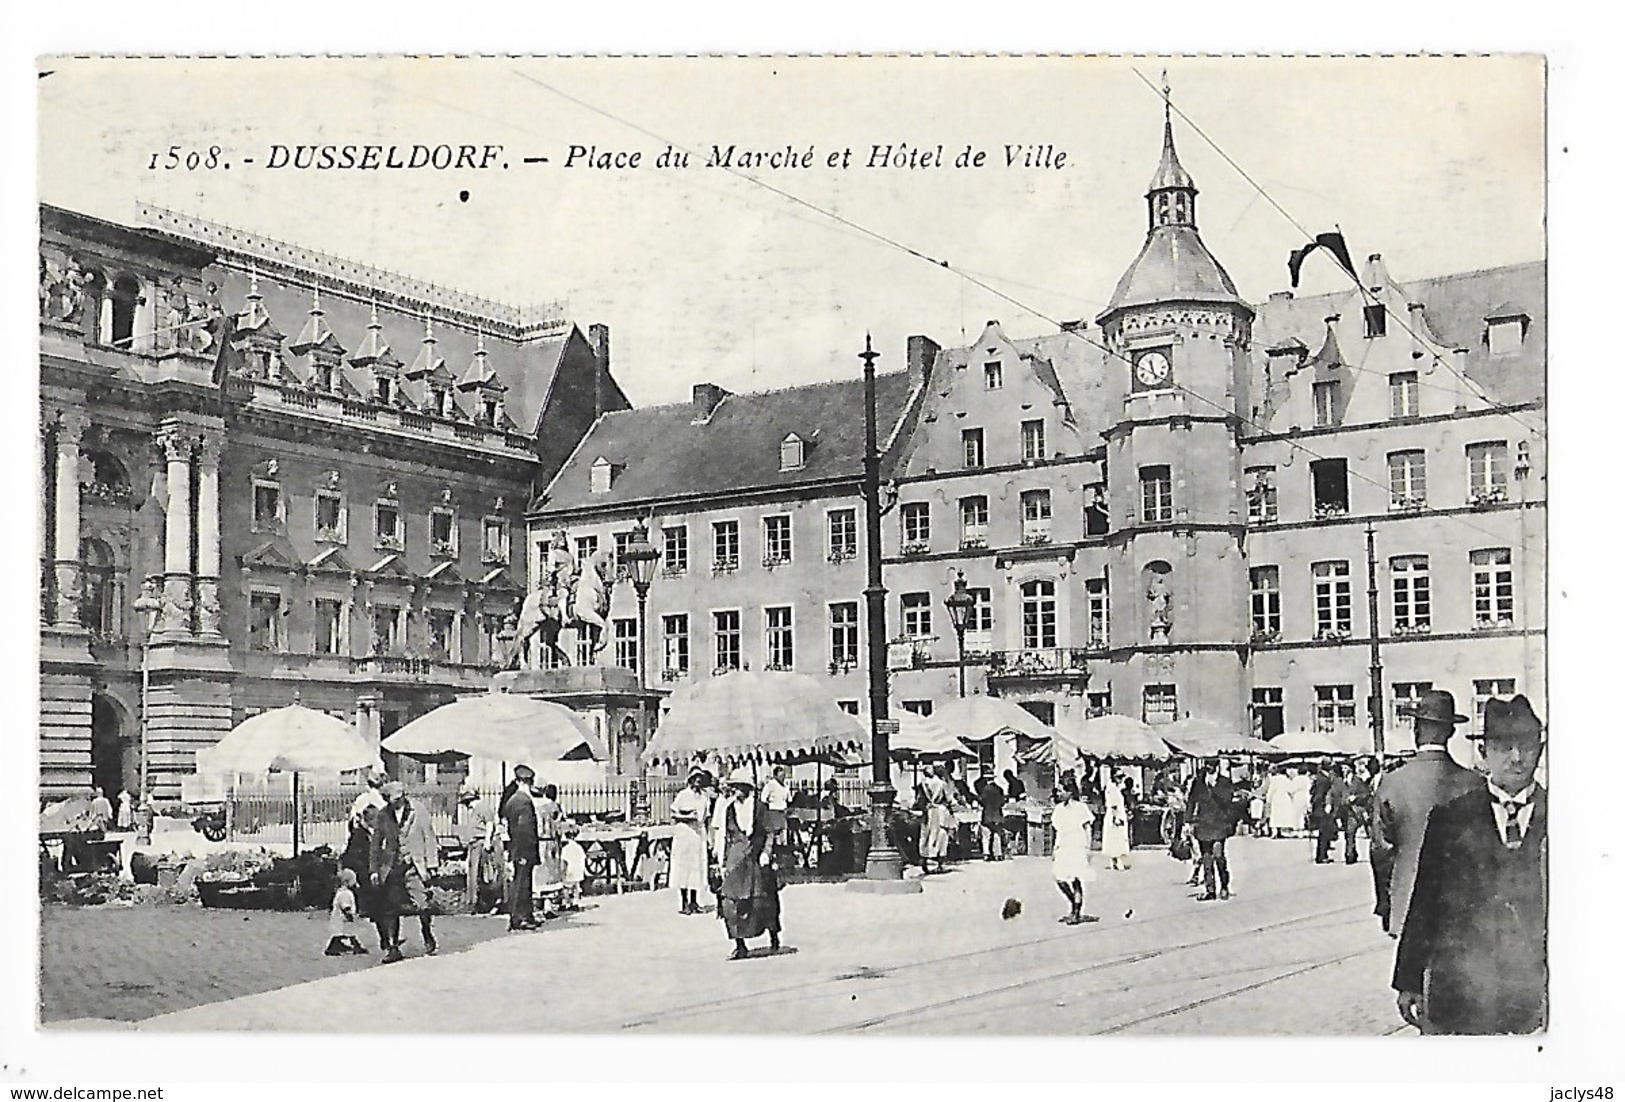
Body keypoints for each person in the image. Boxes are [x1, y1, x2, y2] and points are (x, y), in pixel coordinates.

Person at [1393, 695, 1547, 1035]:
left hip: (1536, 991)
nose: (1517, 758)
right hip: (1462, 990)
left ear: (1540, 749)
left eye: (1526, 746)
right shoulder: (1450, 818)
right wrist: (1409, 979)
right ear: (1484, 752)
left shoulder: (1561, 816)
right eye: (1504, 747)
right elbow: (1425, 903)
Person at [1372, 689, 1481, 938]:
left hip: (1408, 902)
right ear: (1451, 731)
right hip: (1464, 908)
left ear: (1415, 729)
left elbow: (1381, 851)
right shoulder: (1474, 782)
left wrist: (1386, 903)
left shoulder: (1392, 783)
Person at [712, 767, 782, 961]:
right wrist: (722, 861)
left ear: (746, 787)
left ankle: (773, 935)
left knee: (763, 902)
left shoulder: (759, 807)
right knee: (730, 903)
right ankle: (739, 944)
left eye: (737, 787)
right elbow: (726, 837)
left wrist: (767, 852)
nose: (734, 790)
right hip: (736, 859)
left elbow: (770, 832)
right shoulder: (729, 809)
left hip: (756, 858)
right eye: (732, 787)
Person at [368, 780, 441, 964]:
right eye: (391, 800)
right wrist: (374, 870)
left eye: (398, 799)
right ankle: (393, 948)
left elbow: (429, 836)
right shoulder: (384, 814)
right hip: (393, 867)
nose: (395, 803)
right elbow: (376, 844)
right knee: (391, 908)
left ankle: (426, 932)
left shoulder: (418, 810)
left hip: (415, 865)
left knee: (423, 904)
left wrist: (431, 864)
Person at [1186, 759, 1238, 901]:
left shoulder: (1224, 782)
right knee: (1207, 860)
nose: (1208, 768)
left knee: (1218, 855)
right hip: (1203, 825)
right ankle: (1210, 890)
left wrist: (1214, 788)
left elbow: (1228, 801)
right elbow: (1191, 801)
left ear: (1216, 767)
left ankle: (1224, 886)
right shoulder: (1198, 782)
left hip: (1219, 824)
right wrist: (1188, 821)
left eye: (1211, 766)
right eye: (1207, 765)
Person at [1050, 772, 1098, 925]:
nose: (1059, 793)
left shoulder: (1081, 808)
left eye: (1061, 790)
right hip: (1063, 844)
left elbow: (1087, 827)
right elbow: (1057, 830)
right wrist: (1054, 848)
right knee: (1060, 879)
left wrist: (1088, 848)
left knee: (1076, 879)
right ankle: (1073, 903)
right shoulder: (1058, 809)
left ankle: (1076, 912)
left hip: (1077, 844)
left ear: (1070, 792)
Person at [341, 803, 387, 950]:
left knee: (382, 909)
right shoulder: (358, 835)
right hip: (364, 878)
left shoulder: (373, 833)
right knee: (378, 909)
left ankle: (386, 939)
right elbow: (352, 858)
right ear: (370, 820)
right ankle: (385, 939)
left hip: (373, 876)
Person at [500, 765, 541, 932]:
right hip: (524, 849)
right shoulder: (523, 801)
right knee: (522, 884)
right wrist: (525, 852)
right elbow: (524, 830)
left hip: (517, 848)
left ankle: (525, 915)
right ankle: (519, 917)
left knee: (522, 883)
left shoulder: (512, 800)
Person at [669, 767, 714, 915]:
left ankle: (694, 902)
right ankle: (684, 903)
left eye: (700, 779)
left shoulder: (703, 797)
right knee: (684, 868)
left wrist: (709, 838)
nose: (698, 781)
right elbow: (674, 814)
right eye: (695, 778)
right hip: (684, 834)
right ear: (690, 780)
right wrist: (687, 817)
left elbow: (706, 818)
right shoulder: (683, 795)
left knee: (696, 868)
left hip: (698, 835)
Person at [917, 763, 954, 874]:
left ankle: (924, 857)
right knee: (941, 835)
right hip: (940, 811)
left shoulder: (922, 784)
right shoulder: (941, 784)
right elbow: (948, 798)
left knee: (926, 835)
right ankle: (939, 862)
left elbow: (919, 799)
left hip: (927, 811)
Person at [534, 782, 564, 916]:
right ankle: (548, 905)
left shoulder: (534, 806)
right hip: (551, 842)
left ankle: (537, 905)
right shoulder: (554, 807)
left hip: (539, 842)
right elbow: (559, 827)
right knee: (551, 873)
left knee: (539, 873)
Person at [324, 868, 368, 956]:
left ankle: (344, 946)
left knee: (346, 933)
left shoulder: (340, 892)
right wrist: (350, 916)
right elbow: (345, 907)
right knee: (346, 932)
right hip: (342, 919)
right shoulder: (346, 893)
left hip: (340, 919)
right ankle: (342, 947)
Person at [1101, 769, 1131, 871]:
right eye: (1119, 777)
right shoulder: (1112, 788)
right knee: (1117, 837)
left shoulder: (1116, 788)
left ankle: (1113, 861)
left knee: (1115, 837)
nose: (1121, 779)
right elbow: (1113, 805)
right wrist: (1116, 818)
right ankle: (1118, 861)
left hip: (1118, 813)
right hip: (1115, 814)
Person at [976, 771, 1007, 861]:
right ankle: (998, 854)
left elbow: (983, 801)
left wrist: (977, 799)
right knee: (997, 835)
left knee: (986, 835)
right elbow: (1003, 801)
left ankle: (987, 854)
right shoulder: (999, 789)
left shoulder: (985, 789)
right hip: (997, 814)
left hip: (987, 815)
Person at [559, 823, 586, 912]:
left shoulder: (565, 849)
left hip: (570, 871)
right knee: (576, 887)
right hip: (578, 870)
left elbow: (564, 861)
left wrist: (562, 872)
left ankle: (567, 903)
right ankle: (575, 902)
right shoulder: (579, 847)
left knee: (565, 888)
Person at [1266, 765, 1298, 839]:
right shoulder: (1287, 780)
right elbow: (1291, 790)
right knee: (1283, 815)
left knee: (1275, 815)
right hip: (1285, 798)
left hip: (1276, 798)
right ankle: (1281, 831)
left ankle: (1275, 831)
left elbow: (1271, 790)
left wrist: (1268, 800)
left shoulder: (1274, 780)